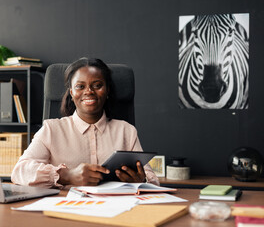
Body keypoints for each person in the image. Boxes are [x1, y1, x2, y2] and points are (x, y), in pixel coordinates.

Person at [11, 57, 159, 188]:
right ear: (71, 93)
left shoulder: (126, 131)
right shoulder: (51, 129)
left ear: (107, 90)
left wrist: (141, 180)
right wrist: (66, 176)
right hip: (67, 209)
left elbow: (153, 181)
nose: (88, 91)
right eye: (80, 86)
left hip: (115, 210)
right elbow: (19, 172)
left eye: (97, 85)